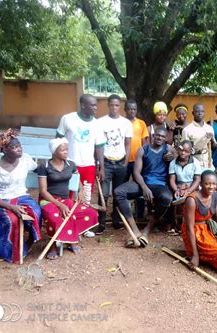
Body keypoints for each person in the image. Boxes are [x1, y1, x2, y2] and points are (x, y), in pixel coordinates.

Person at [0, 129, 42, 263]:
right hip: (2, 200)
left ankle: (28, 242)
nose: (18, 149)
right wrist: (11, 207)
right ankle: (6, 251)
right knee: (12, 220)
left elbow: (37, 167)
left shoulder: (25, 159)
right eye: (13, 147)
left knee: (36, 212)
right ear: (4, 149)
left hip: (22, 196)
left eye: (19, 145)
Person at [37, 138, 99, 259]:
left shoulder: (70, 164)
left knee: (90, 213)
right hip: (48, 200)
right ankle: (53, 246)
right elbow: (43, 191)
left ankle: (71, 239)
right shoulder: (44, 166)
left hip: (65, 200)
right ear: (54, 151)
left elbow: (77, 178)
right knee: (54, 217)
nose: (66, 152)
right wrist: (59, 205)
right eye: (63, 150)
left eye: (67, 149)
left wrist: (81, 190)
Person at [114, 127, 174, 246]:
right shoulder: (143, 150)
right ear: (153, 135)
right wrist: (145, 188)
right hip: (143, 183)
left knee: (167, 198)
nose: (160, 138)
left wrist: (173, 156)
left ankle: (147, 230)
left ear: (166, 138)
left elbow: (180, 156)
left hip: (160, 184)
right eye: (158, 135)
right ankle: (135, 230)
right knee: (118, 192)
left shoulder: (168, 149)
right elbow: (136, 172)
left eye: (163, 136)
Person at [56, 94, 105, 237]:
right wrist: (60, 162)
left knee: (86, 196)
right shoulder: (67, 119)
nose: (96, 108)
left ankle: (84, 226)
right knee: (69, 194)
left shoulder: (97, 124)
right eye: (93, 105)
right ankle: (68, 222)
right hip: (69, 164)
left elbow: (99, 146)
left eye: (96, 105)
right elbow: (58, 140)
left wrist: (101, 166)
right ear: (83, 105)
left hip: (88, 165)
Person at [95, 94, 133, 234]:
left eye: (117, 105)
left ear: (120, 106)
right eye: (112, 105)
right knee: (104, 194)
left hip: (121, 162)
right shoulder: (100, 122)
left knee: (118, 193)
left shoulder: (126, 123)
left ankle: (116, 219)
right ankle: (102, 222)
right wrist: (101, 167)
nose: (114, 108)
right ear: (108, 105)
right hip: (106, 162)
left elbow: (128, 144)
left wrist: (126, 162)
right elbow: (99, 145)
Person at [182, 103, 217, 170]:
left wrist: (212, 140)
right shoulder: (187, 130)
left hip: (208, 163)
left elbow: (214, 147)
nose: (200, 113)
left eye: (202, 111)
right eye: (197, 111)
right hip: (194, 164)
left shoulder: (209, 128)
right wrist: (203, 140)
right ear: (193, 113)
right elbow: (185, 151)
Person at [125, 99, 149, 180]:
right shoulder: (121, 123)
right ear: (125, 109)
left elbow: (145, 142)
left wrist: (144, 157)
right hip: (124, 160)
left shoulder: (141, 123)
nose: (132, 111)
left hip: (138, 160)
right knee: (122, 183)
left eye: (134, 109)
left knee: (138, 182)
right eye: (130, 109)